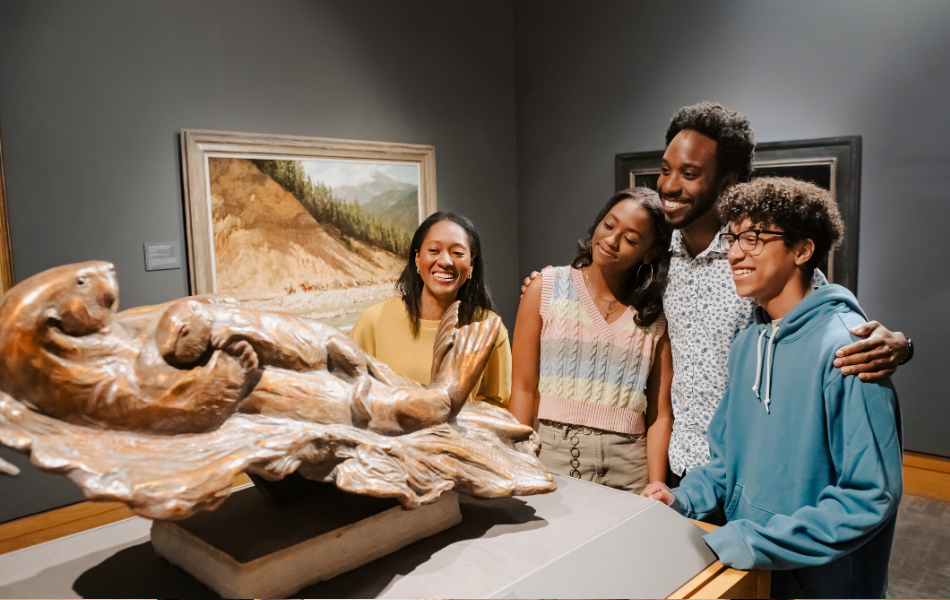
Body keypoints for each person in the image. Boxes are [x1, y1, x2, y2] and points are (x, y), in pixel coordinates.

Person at [524, 102, 911, 493]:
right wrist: (543, 285)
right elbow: (600, 294)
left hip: (744, 469)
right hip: (674, 468)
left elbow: (825, 311)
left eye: (690, 174)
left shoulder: (753, 254)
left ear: (728, 182)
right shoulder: (654, 256)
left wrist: (899, 344)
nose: (669, 186)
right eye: (665, 170)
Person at [642, 177, 902, 599]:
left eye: (756, 238)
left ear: (802, 250)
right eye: (734, 237)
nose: (735, 252)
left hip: (822, 584)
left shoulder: (850, 351)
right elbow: (728, 461)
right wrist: (683, 498)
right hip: (757, 575)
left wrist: (758, 542)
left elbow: (869, 495)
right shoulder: (747, 343)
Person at [509, 187, 674, 494]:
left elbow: (660, 413)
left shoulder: (656, 316)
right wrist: (519, 462)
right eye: (609, 225)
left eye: (630, 239)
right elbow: (522, 387)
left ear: (649, 252)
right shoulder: (545, 288)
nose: (611, 241)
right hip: (554, 455)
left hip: (630, 466)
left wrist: (656, 482)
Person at [351, 211, 511, 408]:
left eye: (458, 253)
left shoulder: (489, 328)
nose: (445, 261)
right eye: (434, 250)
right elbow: (350, 389)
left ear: (471, 266)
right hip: (390, 439)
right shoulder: (374, 321)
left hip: (459, 439)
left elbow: (500, 406)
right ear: (417, 259)